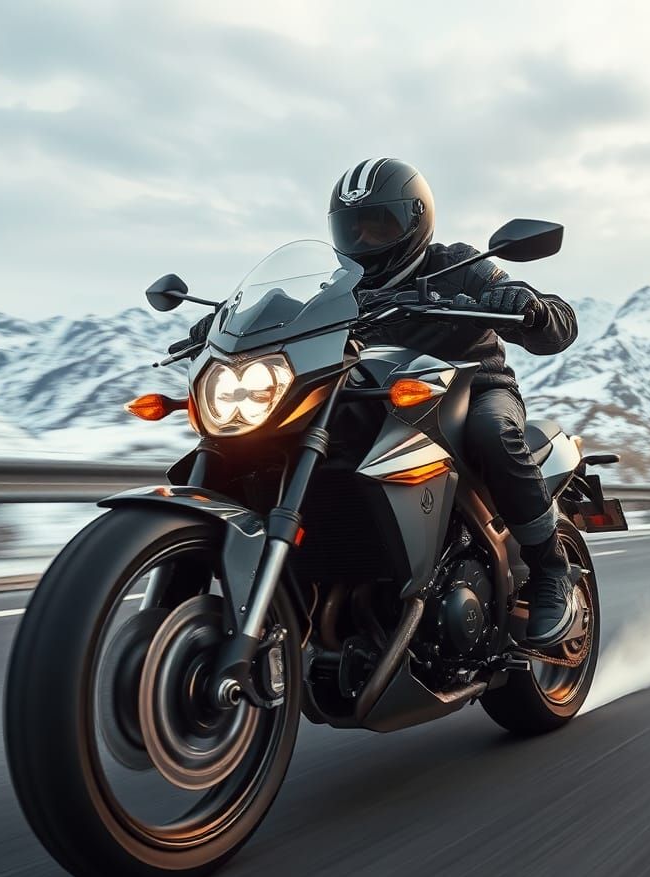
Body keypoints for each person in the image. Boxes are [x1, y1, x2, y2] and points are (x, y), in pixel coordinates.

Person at [178, 158, 579, 645]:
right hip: (373, 398)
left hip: (470, 390)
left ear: (415, 220)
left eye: (378, 224)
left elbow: (558, 324)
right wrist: (226, 325)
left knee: (492, 432)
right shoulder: (336, 290)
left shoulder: (461, 266)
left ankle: (550, 569)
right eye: (353, 228)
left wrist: (528, 308)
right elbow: (284, 321)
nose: (365, 239)